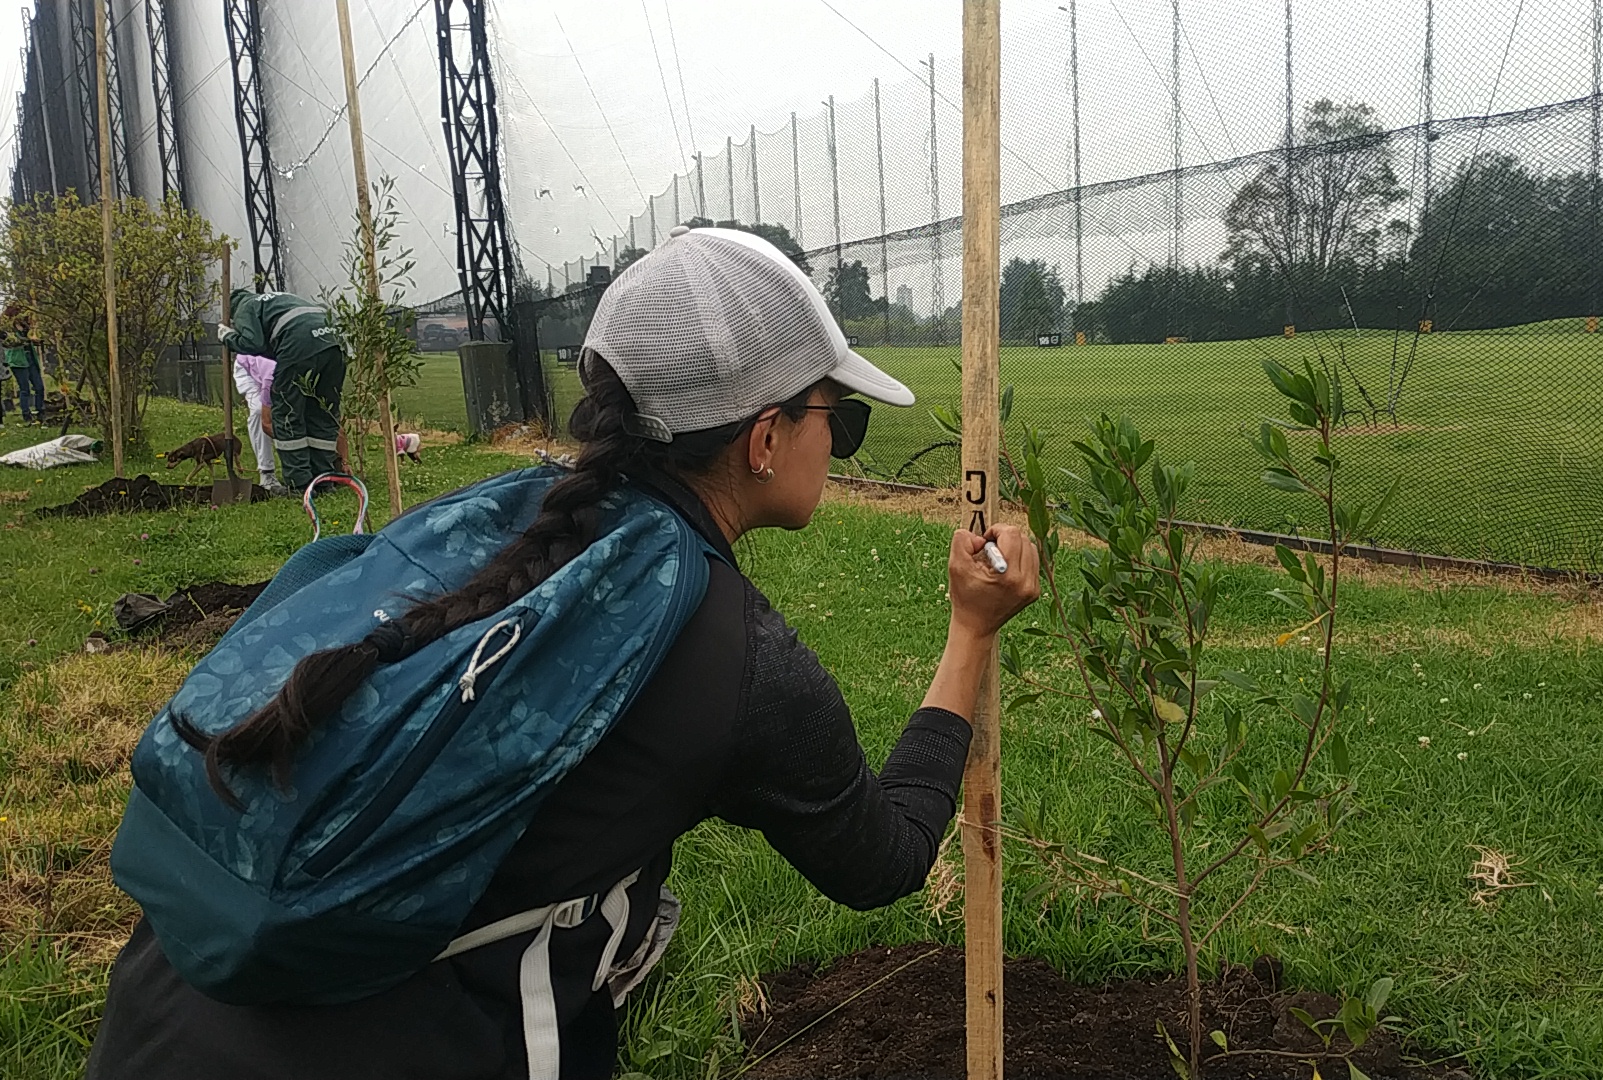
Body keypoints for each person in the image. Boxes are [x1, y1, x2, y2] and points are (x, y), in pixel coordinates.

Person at [87, 225, 1041, 1080]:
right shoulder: (733, 659)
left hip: (160, 1014)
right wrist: (970, 632)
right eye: (841, 415)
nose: (842, 443)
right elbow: (884, 858)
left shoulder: (499, 521)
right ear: (763, 439)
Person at [218, 288, 345, 488]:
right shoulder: (278, 300)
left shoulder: (244, 307)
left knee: (287, 414)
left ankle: (300, 484)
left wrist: (228, 337)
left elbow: (252, 342)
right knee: (321, 411)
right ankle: (324, 480)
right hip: (334, 343)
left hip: (299, 344)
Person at [231, 352, 280, 489]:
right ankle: (267, 474)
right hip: (248, 369)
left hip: (268, 368)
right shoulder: (271, 375)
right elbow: (266, 421)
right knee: (259, 412)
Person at [2, 327, 43, 425]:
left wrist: (35, 341)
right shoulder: (8, 329)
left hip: (30, 359)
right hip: (18, 361)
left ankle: (40, 411)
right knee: (25, 389)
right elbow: (8, 344)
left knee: (39, 387)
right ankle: (26, 414)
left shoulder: (27, 329)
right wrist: (26, 340)